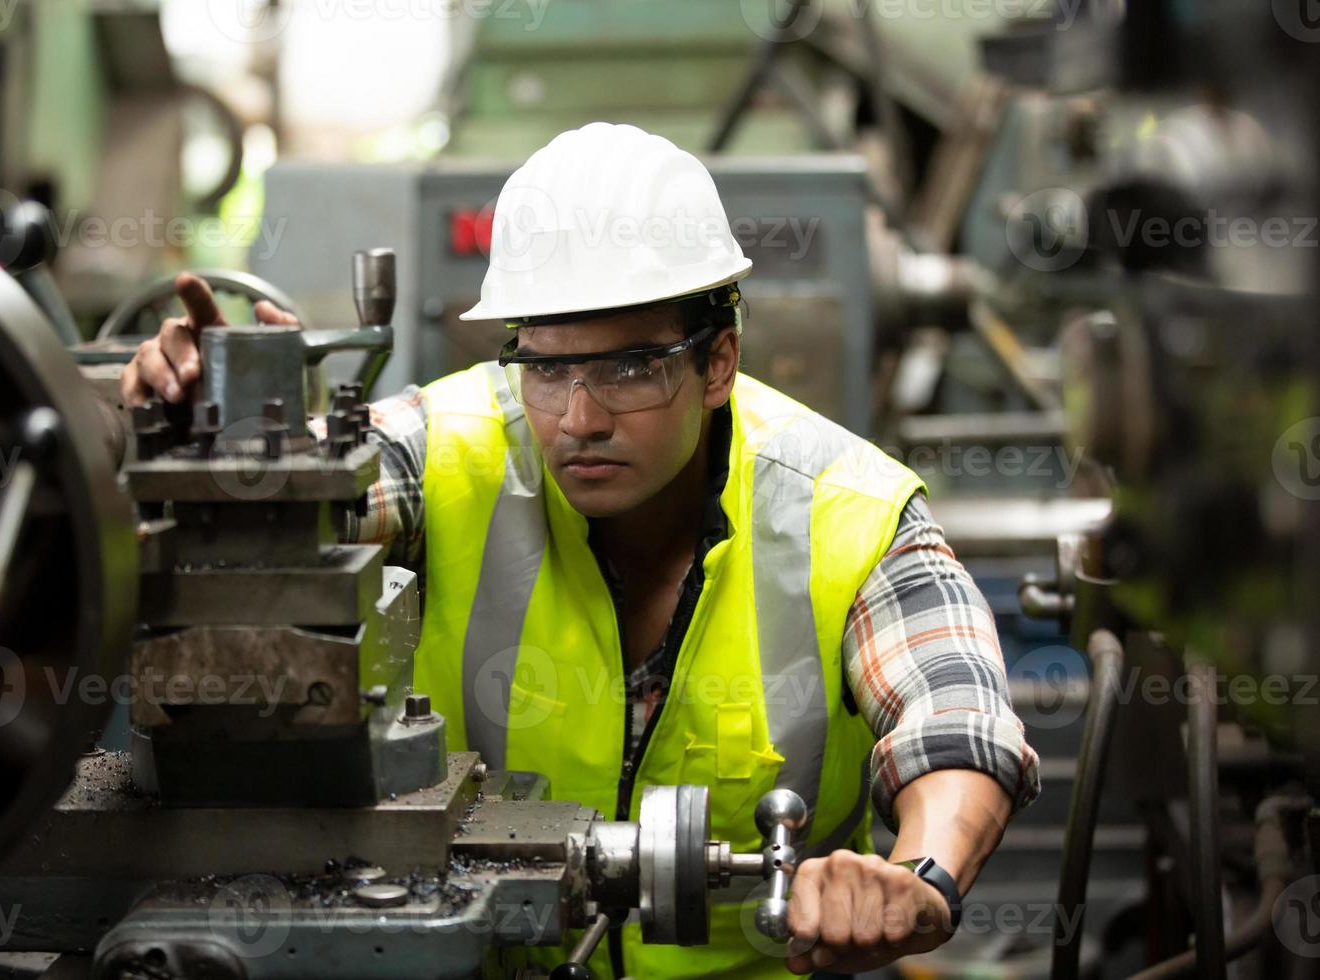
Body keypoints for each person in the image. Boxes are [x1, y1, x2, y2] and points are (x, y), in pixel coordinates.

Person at [121, 122, 1040, 978]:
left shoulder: (847, 509)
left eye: (628, 368)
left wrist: (918, 877)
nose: (579, 419)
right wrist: (229, 436)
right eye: (549, 367)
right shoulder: (455, 444)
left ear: (717, 360)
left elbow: (956, 722)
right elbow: (316, 500)